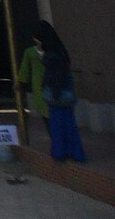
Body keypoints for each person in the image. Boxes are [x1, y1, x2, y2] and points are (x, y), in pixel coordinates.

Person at [34, 21, 86, 163]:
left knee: (57, 126)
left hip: (57, 94)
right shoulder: (60, 49)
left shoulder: (51, 54)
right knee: (69, 125)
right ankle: (76, 153)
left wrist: (53, 91)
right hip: (66, 93)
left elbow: (54, 74)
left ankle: (60, 153)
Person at [16, 24, 49, 136]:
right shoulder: (30, 52)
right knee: (45, 112)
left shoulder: (53, 50)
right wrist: (21, 82)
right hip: (39, 85)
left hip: (52, 83)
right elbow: (25, 69)